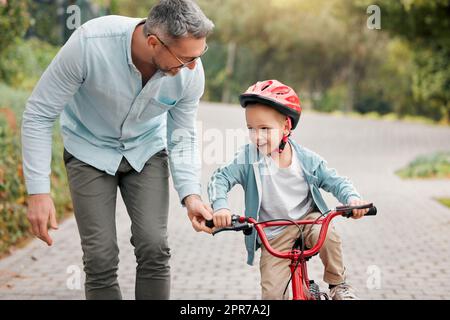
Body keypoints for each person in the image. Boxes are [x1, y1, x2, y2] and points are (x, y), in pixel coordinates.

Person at [21, 0, 214, 300]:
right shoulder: (89, 44)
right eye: (185, 58)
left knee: (154, 246)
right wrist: (38, 191)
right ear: (154, 42)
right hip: (88, 149)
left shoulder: (191, 72)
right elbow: (39, 113)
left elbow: (183, 134)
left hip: (145, 150)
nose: (192, 66)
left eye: (198, 55)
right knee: (100, 257)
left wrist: (191, 195)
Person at [207, 80, 371, 300]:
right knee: (273, 295)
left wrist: (352, 199)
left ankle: (337, 284)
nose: (257, 136)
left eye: (265, 128)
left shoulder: (306, 159)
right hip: (274, 233)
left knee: (329, 233)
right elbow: (220, 178)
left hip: (308, 221)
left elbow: (335, 181)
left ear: (286, 126)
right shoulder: (248, 158)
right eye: (251, 129)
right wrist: (220, 207)